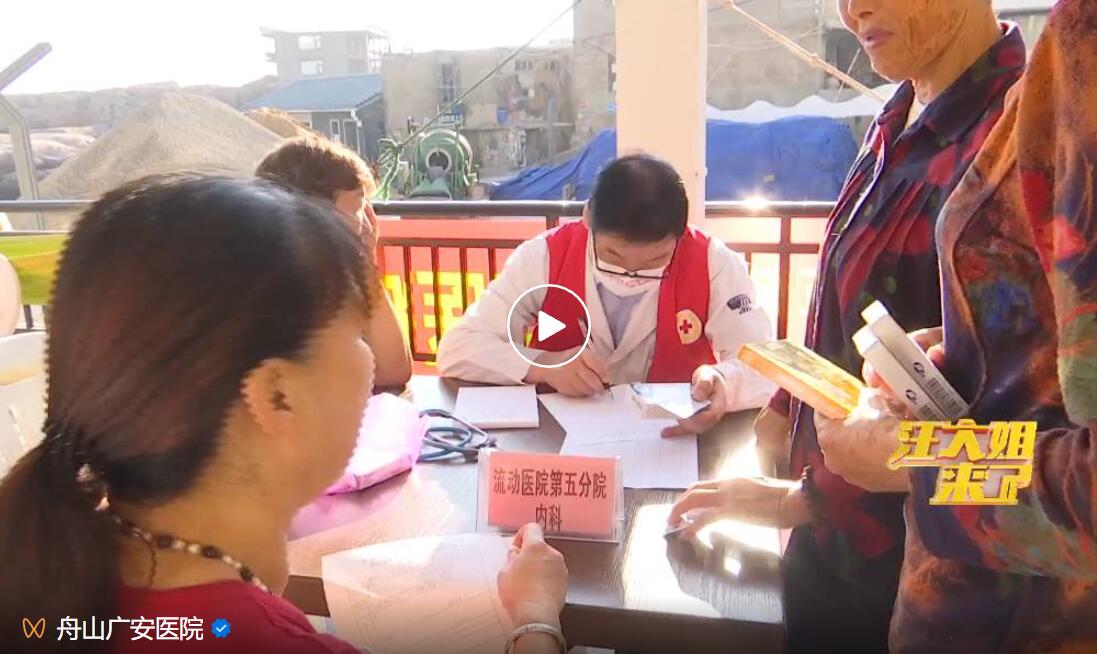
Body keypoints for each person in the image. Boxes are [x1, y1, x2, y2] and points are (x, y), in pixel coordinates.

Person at [0, 174, 567, 654]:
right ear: (277, 397)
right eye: (356, 334)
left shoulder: (57, 572)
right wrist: (536, 617)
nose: (371, 361)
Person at [670, 1, 1025, 651]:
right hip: (833, 545)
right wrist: (789, 406)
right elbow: (854, 302)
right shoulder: (897, 116)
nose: (853, 8)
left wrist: (807, 498)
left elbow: (1031, 448)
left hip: (932, 581)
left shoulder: (1024, 141)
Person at [814, 0, 1097, 650]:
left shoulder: (1080, 50)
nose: (853, 9)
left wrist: (911, 458)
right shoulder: (899, 115)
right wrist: (975, 345)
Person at [437, 153, 775, 435]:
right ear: (587, 216)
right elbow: (458, 348)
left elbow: (766, 367)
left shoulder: (714, 263)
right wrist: (544, 364)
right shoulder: (545, 256)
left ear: (681, 233)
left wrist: (722, 379)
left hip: (672, 442)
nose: (631, 275)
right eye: (613, 256)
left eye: (654, 261)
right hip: (560, 441)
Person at [257, 137, 412, 388]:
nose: (368, 222)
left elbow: (396, 369)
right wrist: (362, 260)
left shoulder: (330, 277)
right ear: (320, 212)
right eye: (359, 205)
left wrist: (363, 263)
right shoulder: (283, 294)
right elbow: (391, 370)